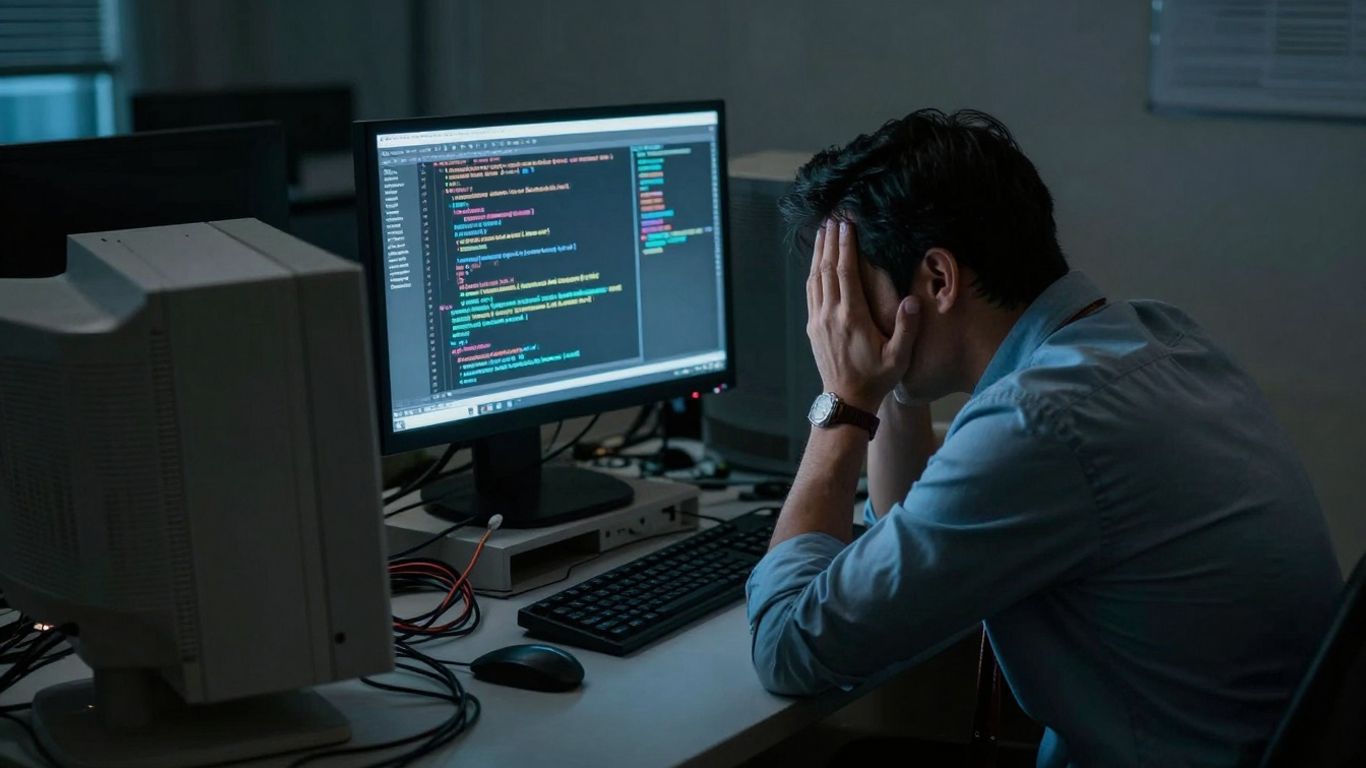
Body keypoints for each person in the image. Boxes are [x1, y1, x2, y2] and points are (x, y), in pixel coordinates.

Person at [744, 108, 1342, 767]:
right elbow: (906, 541)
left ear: (938, 280)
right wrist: (890, 387)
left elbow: (789, 647)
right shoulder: (1160, 338)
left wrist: (843, 403)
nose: (842, 321)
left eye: (854, 295)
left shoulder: (1040, 422)